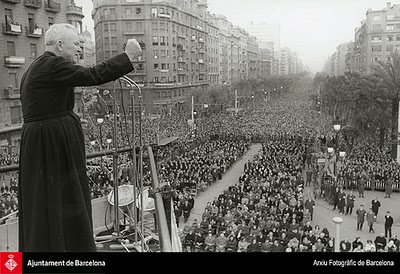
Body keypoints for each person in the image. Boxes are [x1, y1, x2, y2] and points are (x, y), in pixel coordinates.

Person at [18, 23, 142, 252]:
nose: (79, 50)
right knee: (63, 198)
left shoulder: (39, 66)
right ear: (59, 45)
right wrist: (129, 56)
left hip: (46, 138)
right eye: (76, 44)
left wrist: (64, 117)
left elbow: (43, 107)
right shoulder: (52, 64)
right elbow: (92, 75)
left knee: (48, 200)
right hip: (51, 142)